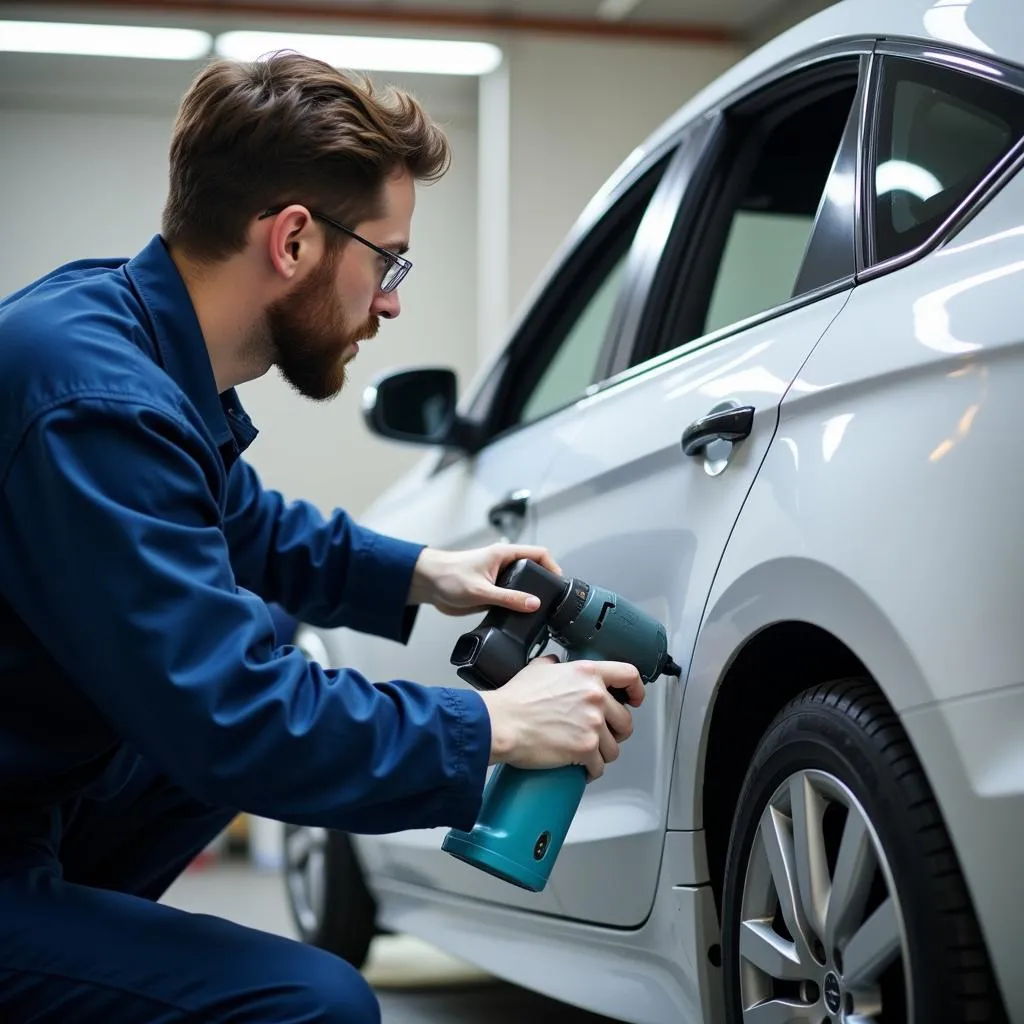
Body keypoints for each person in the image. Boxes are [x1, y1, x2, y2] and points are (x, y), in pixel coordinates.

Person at [0, 51, 645, 1023]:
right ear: (294, 239)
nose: (390, 301)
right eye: (388, 260)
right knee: (319, 1003)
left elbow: (242, 521)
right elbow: (233, 718)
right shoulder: (96, 406)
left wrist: (428, 574)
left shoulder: (120, 330)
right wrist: (494, 726)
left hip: (25, 807)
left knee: (242, 639)